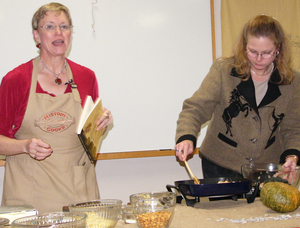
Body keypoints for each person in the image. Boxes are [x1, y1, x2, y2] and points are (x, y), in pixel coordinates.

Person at [0, 3, 113, 213]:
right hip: (30, 199)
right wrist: (24, 146)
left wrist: (102, 122)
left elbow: (90, 136)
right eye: (49, 26)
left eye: (64, 26)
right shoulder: (16, 80)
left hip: (79, 195)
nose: (58, 33)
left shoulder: (86, 77)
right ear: (36, 35)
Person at [175, 15, 300, 181]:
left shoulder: (292, 81)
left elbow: (293, 128)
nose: (259, 59)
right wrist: (186, 137)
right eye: (253, 51)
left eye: (266, 53)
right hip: (220, 163)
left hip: (266, 166)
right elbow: (196, 108)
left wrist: (292, 156)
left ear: (278, 49)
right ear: (244, 46)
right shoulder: (224, 71)